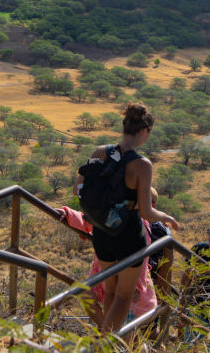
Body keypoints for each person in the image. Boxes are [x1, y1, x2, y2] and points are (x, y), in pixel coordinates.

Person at [73, 102, 179, 332]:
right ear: (144, 131)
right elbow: (146, 212)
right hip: (128, 236)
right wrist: (166, 217)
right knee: (123, 296)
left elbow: (77, 189)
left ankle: (105, 343)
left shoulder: (99, 152)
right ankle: (106, 344)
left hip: (101, 232)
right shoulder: (142, 165)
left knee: (110, 290)